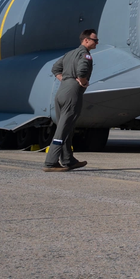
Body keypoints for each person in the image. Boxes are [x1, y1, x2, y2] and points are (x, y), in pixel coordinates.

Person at [43, 29, 98, 172]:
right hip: (72, 93)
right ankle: (51, 162)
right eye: (94, 40)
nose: (96, 42)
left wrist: (65, 79)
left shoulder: (69, 54)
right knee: (63, 129)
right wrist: (83, 81)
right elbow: (82, 70)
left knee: (67, 127)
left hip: (61, 91)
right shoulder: (85, 54)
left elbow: (55, 68)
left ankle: (68, 160)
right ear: (86, 40)